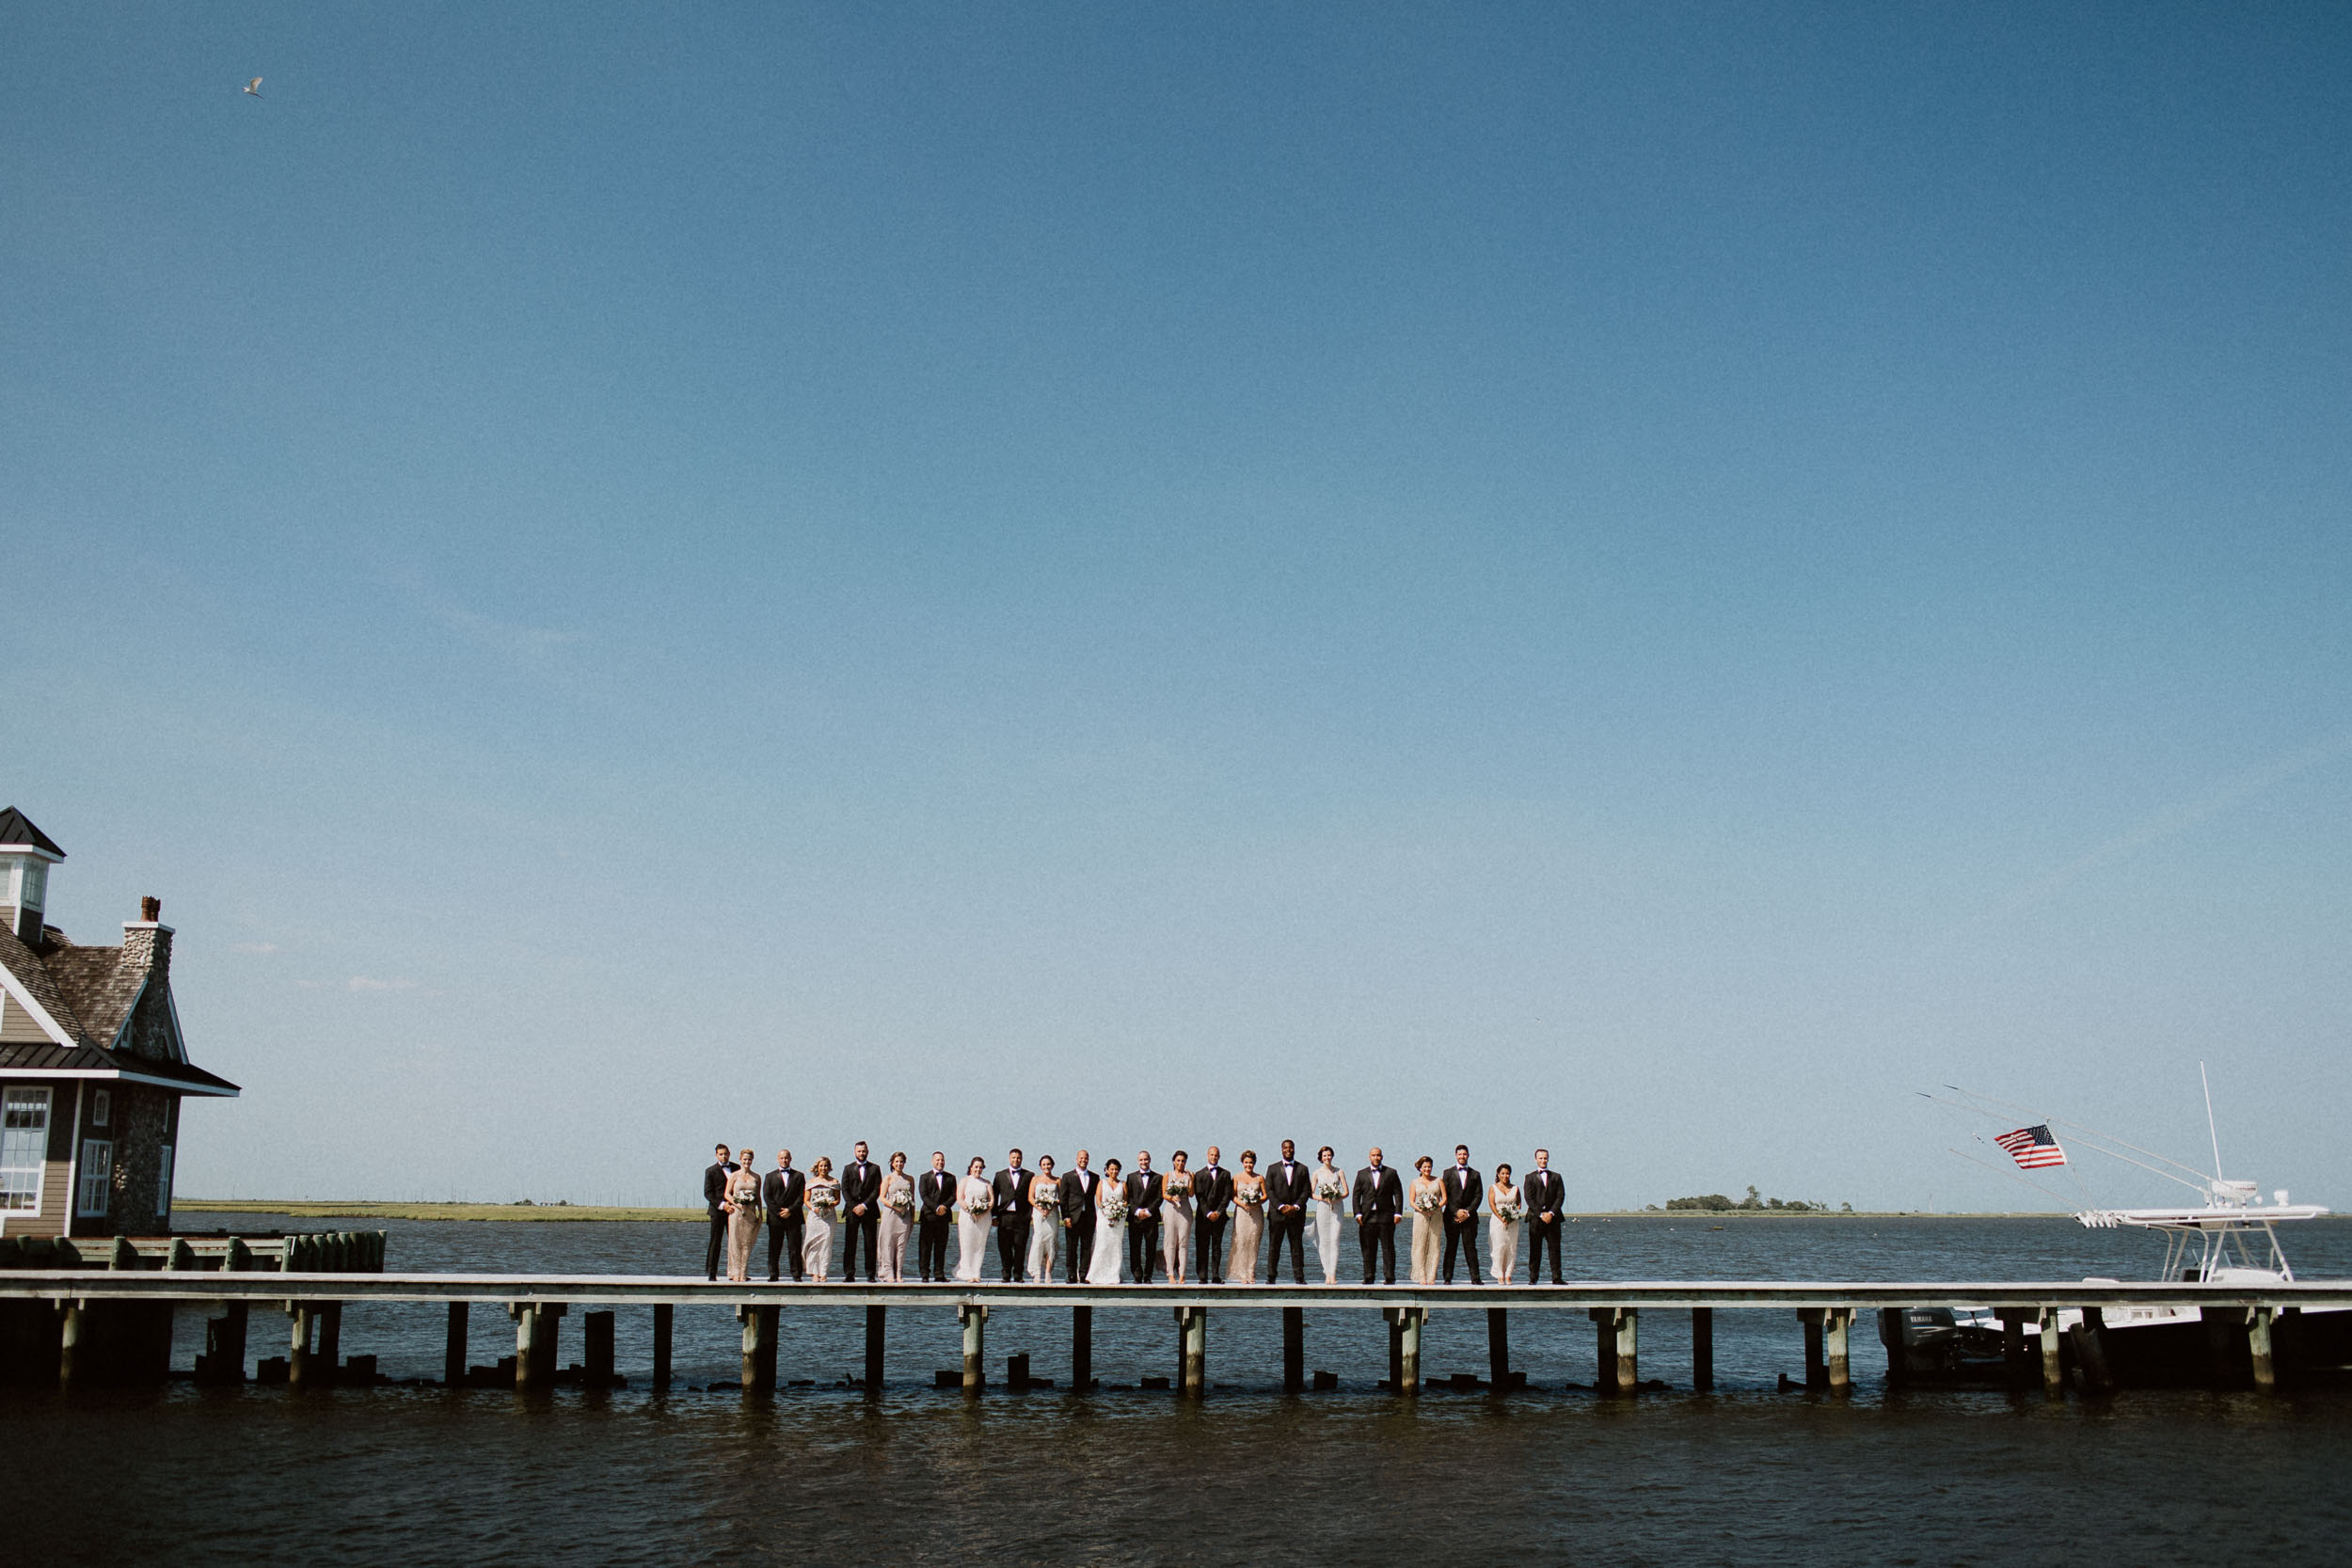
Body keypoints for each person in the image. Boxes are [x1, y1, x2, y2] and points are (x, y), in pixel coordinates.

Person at [1351, 1148, 1405, 1284]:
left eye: (1378, 1155)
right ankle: (1369, 1277)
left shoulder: (1391, 1173)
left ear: (1382, 1157)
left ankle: (1389, 1277)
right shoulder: (1361, 1174)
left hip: (1386, 1217)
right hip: (1367, 1217)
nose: (1376, 1157)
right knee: (1368, 1249)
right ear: (1369, 1157)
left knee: (1388, 1248)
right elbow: (1356, 1195)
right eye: (1373, 1155)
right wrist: (1357, 1213)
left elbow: (1398, 1193)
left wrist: (1398, 1212)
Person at [1263, 1139, 1310, 1284]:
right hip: (1277, 1214)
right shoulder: (1272, 1168)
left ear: (1294, 1149)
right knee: (1274, 1246)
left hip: (1296, 1215)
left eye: (1290, 1148)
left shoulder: (1303, 1168)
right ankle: (1271, 1277)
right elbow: (1269, 1190)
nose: (1288, 1150)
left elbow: (1306, 1190)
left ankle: (1299, 1277)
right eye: (1285, 1148)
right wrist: (1281, 1206)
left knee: (1296, 1247)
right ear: (1281, 1150)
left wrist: (1295, 1207)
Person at [1442, 1145, 1486, 1285]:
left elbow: (1479, 1195)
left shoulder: (1475, 1174)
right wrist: (1456, 1211)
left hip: (1470, 1218)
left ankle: (1475, 1277)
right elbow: (1445, 1195)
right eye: (1460, 1154)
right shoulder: (1448, 1173)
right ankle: (1447, 1277)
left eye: (1464, 1154)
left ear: (1468, 1155)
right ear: (1456, 1155)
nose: (1462, 1157)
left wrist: (1467, 1211)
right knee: (1451, 1247)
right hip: (1451, 1217)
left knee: (1471, 1248)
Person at [839, 1142, 882, 1281]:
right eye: (859, 1151)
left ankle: (870, 1274)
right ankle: (849, 1274)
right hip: (852, 1211)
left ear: (867, 1152)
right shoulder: (847, 1168)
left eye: (863, 1151)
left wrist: (864, 1205)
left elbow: (877, 1189)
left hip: (869, 1210)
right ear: (854, 1152)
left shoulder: (875, 1168)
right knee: (850, 1243)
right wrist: (854, 1206)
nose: (861, 1153)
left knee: (870, 1244)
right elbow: (844, 1189)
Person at [763, 1149, 806, 1283]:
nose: (784, 1160)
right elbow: (767, 1197)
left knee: (795, 1248)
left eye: (786, 1158)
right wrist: (779, 1212)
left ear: (790, 1159)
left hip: (793, 1217)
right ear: (778, 1159)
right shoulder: (769, 1176)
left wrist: (790, 1210)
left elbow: (801, 1196)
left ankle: (796, 1274)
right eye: (782, 1158)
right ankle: (773, 1274)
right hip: (775, 1219)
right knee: (774, 1248)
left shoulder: (799, 1176)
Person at [1193, 1146, 1234, 1284]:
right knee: (1202, 1246)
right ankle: (1202, 1276)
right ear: (1207, 1155)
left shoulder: (1226, 1174)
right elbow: (1200, 1196)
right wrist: (1208, 1213)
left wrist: (1218, 1211)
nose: (1214, 1157)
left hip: (1219, 1217)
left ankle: (1216, 1275)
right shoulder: (1199, 1174)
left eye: (1216, 1155)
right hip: (1203, 1217)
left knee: (1217, 1246)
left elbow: (1227, 1195)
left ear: (1219, 1156)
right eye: (1212, 1155)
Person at [1524, 1148, 1565, 1284]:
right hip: (1536, 1219)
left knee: (1555, 1250)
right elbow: (1529, 1198)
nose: (1543, 1161)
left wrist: (1551, 1213)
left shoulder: (1556, 1177)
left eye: (1545, 1158)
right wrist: (1541, 1214)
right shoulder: (1529, 1177)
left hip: (1553, 1219)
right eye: (1540, 1158)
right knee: (1535, 1250)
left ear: (1548, 1159)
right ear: (1535, 1159)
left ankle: (1557, 1278)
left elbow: (1560, 1196)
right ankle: (1533, 1278)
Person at [992, 1148, 1033, 1282]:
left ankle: (1018, 1275)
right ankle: (1006, 1274)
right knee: (1004, 1247)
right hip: (1004, 1216)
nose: (1016, 1160)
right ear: (1009, 1158)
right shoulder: (1000, 1175)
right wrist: (994, 1216)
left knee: (1020, 1247)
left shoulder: (1029, 1175)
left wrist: (1029, 1215)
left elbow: (1032, 1196)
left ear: (1022, 1159)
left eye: (1018, 1158)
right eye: (1013, 1157)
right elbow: (994, 1195)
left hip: (1022, 1217)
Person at [723, 1149, 763, 1284]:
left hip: (751, 1213)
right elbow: (727, 1194)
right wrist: (737, 1204)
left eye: (749, 1159)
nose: (747, 1162)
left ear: (753, 1160)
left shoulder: (756, 1177)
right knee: (735, 1242)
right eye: (745, 1159)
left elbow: (758, 1197)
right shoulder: (734, 1176)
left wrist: (761, 1214)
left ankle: (743, 1272)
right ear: (740, 1160)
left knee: (747, 1243)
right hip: (736, 1213)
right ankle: (734, 1273)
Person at [1060, 1149, 1101, 1283]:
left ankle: (1083, 1274)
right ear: (1076, 1159)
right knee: (1071, 1247)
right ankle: (1071, 1275)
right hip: (1072, 1217)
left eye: (1086, 1158)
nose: (1083, 1160)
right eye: (1081, 1158)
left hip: (1088, 1217)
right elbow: (1063, 1199)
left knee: (1086, 1247)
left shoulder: (1095, 1177)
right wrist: (1065, 1216)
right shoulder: (1067, 1176)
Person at [917, 1150, 958, 1282]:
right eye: (937, 1160)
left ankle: (939, 1274)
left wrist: (944, 1207)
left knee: (941, 1247)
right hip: (928, 1216)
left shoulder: (951, 1178)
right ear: (932, 1161)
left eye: (942, 1160)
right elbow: (924, 1196)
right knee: (925, 1247)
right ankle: (925, 1274)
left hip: (944, 1217)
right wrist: (936, 1208)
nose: (940, 1162)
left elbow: (953, 1196)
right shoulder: (924, 1177)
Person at [1310, 1146, 1347, 1285]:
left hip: (1337, 1208)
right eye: (1324, 1156)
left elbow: (1346, 1191)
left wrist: (1338, 1197)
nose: (1327, 1158)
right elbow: (1311, 1193)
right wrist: (1323, 1198)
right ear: (1321, 1157)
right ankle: (1327, 1272)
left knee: (1335, 1239)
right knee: (1324, 1240)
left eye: (1329, 1155)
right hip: (1323, 1208)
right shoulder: (1316, 1173)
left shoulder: (1339, 1171)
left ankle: (1333, 1273)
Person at [1087, 1158, 1128, 1285]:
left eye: (1116, 1169)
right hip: (1104, 1217)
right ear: (1107, 1170)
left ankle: (1113, 1275)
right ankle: (1094, 1274)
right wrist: (1107, 1211)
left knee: (1115, 1245)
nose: (1114, 1172)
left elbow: (1126, 1200)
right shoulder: (1101, 1183)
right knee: (1102, 1244)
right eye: (1112, 1169)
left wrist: (1118, 1211)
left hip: (1118, 1218)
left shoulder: (1123, 1184)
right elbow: (1098, 1200)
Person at [876, 1150, 914, 1283]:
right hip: (890, 1215)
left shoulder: (909, 1179)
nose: (899, 1164)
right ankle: (888, 1273)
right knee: (888, 1243)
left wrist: (912, 1218)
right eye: (897, 1161)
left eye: (901, 1161)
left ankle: (899, 1273)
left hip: (905, 1216)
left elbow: (913, 1199)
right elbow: (881, 1197)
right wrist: (894, 1205)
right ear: (892, 1163)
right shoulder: (888, 1178)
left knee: (901, 1245)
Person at [1125, 1151, 1165, 1282]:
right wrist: (1137, 1211)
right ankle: (1137, 1275)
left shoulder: (1158, 1177)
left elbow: (1160, 1197)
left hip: (1151, 1218)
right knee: (1135, 1248)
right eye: (1141, 1160)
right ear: (1138, 1161)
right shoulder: (1130, 1177)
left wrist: (1148, 1211)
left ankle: (1148, 1276)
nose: (1144, 1162)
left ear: (1150, 1160)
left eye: (1146, 1159)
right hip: (1135, 1218)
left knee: (1151, 1248)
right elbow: (1128, 1197)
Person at [1230, 1150, 1267, 1284]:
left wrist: (1257, 1201)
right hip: (1241, 1212)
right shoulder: (1236, 1177)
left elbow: (1265, 1195)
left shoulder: (1260, 1178)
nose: (1248, 1165)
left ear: (1254, 1163)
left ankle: (1251, 1272)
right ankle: (1242, 1273)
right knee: (1242, 1241)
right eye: (1246, 1162)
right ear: (1242, 1163)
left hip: (1256, 1213)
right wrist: (1242, 1203)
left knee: (1254, 1242)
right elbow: (1233, 1196)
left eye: (1251, 1162)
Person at [803, 1156, 843, 1281]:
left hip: (829, 1217)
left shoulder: (834, 1182)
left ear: (829, 1167)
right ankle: (814, 1272)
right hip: (814, 1217)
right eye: (821, 1166)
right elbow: (806, 1200)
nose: (823, 1168)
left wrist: (829, 1205)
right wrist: (814, 1208)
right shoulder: (811, 1182)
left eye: (826, 1166)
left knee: (826, 1244)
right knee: (814, 1244)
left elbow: (837, 1199)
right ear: (817, 1167)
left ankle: (823, 1272)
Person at [703, 1144, 739, 1282]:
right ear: (716, 1155)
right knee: (715, 1242)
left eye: (726, 1154)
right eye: (721, 1154)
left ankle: (736, 1273)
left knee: (735, 1242)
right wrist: (723, 1205)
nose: (724, 1156)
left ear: (729, 1154)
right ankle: (712, 1273)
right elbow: (708, 1193)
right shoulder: (710, 1171)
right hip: (718, 1211)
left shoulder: (737, 1168)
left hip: (734, 1211)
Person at [955, 1156, 992, 1284]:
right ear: (971, 1167)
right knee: (967, 1244)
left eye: (980, 1167)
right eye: (976, 1167)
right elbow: (959, 1198)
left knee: (979, 1245)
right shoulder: (965, 1181)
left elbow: (991, 1200)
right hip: (967, 1217)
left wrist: (983, 1212)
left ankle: (976, 1272)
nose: (978, 1169)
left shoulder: (986, 1183)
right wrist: (970, 1210)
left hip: (983, 1218)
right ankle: (966, 1272)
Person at [1408, 1155, 1444, 1286]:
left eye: (1429, 1167)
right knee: (1420, 1245)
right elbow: (1411, 1201)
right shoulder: (1415, 1182)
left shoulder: (1438, 1181)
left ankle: (1432, 1275)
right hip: (1420, 1215)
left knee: (1434, 1244)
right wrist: (1422, 1209)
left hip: (1436, 1215)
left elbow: (1444, 1198)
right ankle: (1421, 1275)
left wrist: (1435, 1208)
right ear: (1420, 1168)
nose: (1427, 1169)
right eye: (1425, 1167)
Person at [1025, 1155, 1061, 1281]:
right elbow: (1030, 1197)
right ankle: (1037, 1272)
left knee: (1051, 1240)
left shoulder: (1057, 1180)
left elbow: (1060, 1198)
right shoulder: (1035, 1179)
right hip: (1039, 1213)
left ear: (1052, 1165)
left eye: (1049, 1164)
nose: (1046, 1167)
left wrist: (1051, 1207)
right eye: (1044, 1164)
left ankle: (1048, 1272)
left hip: (1052, 1214)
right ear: (1040, 1166)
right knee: (1039, 1240)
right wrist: (1040, 1208)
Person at [1486, 1162, 1523, 1285]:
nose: (1505, 1176)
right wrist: (1501, 1217)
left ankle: (1508, 1274)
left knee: (1511, 1247)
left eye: (1507, 1173)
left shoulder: (1515, 1188)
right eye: (1503, 1173)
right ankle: (1499, 1274)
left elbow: (1518, 1203)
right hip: (1498, 1221)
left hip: (1512, 1222)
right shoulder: (1493, 1187)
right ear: (1498, 1174)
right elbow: (1492, 1204)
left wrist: (1513, 1215)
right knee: (1499, 1247)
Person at [1161, 1150, 1194, 1284]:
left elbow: (1191, 1194)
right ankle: (1170, 1274)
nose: (1181, 1163)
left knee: (1183, 1243)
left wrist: (1191, 1180)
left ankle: (1182, 1274)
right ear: (1174, 1161)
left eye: (1183, 1161)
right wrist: (1172, 1197)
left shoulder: (1189, 1175)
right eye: (1178, 1160)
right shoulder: (1168, 1175)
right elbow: (1164, 1193)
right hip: (1171, 1209)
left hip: (1185, 1210)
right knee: (1170, 1242)